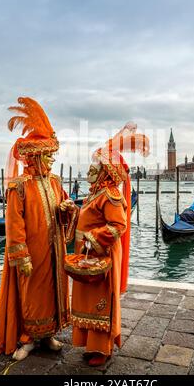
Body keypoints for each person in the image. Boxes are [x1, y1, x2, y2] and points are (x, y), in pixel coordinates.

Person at [0, 97, 78, 360]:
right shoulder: (19, 186)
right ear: (35, 156)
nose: (51, 160)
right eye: (48, 155)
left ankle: (48, 334)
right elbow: (13, 224)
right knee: (32, 293)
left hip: (54, 248)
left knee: (52, 290)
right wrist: (21, 255)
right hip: (33, 251)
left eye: (52, 155)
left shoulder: (54, 181)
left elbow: (63, 205)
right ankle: (27, 338)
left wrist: (68, 208)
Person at [71, 122, 150, 366]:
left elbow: (119, 226)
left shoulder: (111, 195)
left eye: (96, 165)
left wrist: (93, 239)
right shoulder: (94, 193)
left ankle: (102, 348)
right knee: (86, 300)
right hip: (86, 256)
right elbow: (86, 217)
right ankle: (89, 343)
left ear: (106, 171)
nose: (91, 168)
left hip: (100, 254)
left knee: (100, 302)